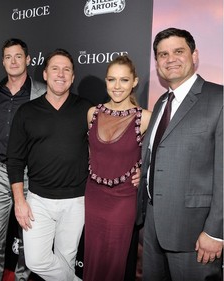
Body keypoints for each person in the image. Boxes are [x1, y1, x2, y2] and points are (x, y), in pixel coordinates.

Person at [136, 27, 223, 280]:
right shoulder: (162, 102)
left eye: (178, 51)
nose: (170, 59)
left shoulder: (219, 99)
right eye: (162, 54)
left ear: (194, 55)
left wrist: (216, 232)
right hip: (152, 226)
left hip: (195, 234)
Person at [6, 48, 92, 281]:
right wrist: (19, 201)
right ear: (45, 74)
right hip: (38, 201)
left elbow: (110, 144)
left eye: (67, 70)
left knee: (66, 260)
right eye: (55, 68)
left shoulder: (87, 109)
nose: (61, 74)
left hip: (75, 201)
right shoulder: (27, 112)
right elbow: (14, 160)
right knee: (36, 260)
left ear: (73, 77)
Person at [83, 55, 151, 281]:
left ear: (134, 82)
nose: (117, 86)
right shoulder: (93, 113)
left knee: (115, 261)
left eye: (124, 80)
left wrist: (144, 172)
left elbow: (159, 157)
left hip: (123, 199)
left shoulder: (145, 118)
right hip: (93, 196)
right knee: (92, 256)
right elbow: (93, 154)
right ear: (106, 81)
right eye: (112, 80)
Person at [0, 38, 46, 281]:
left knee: (28, 235)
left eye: (18, 56)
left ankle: (21, 278)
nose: (13, 61)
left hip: (30, 173)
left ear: (28, 59)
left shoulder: (41, 90)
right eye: (8, 57)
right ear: (2, 61)